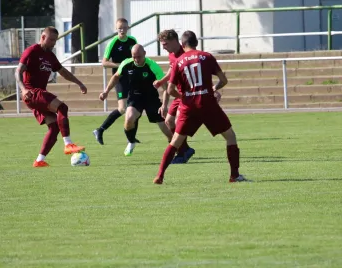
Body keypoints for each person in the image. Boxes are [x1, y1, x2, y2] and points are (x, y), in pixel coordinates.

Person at [153, 30, 248, 184]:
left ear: (182, 44)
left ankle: (160, 175)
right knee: (230, 137)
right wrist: (213, 89)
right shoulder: (207, 56)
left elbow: (170, 90)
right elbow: (223, 80)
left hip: (188, 106)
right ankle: (234, 176)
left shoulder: (178, 62)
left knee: (175, 141)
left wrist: (184, 98)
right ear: (196, 42)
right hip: (207, 103)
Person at [16, 26, 87, 167]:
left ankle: (39, 160)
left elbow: (63, 72)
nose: (54, 43)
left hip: (38, 94)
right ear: (43, 37)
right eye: (52, 40)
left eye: (55, 40)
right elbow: (17, 71)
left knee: (54, 127)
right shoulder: (31, 51)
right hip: (32, 92)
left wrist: (79, 83)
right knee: (62, 107)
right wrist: (23, 89)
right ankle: (68, 144)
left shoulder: (50, 56)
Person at [99, 44, 174, 156]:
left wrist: (164, 105)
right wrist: (106, 91)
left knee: (166, 130)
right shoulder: (126, 64)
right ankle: (131, 141)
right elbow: (116, 77)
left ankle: (176, 149)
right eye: (134, 56)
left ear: (144, 54)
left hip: (151, 98)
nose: (136, 59)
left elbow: (165, 88)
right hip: (135, 96)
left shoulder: (153, 66)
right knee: (128, 118)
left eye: (139, 56)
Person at [93, 18, 138, 145]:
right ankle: (100, 130)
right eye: (119, 28)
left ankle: (132, 137)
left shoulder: (132, 41)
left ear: (128, 28)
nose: (122, 30)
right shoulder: (113, 42)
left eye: (124, 27)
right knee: (123, 109)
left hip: (132, 78)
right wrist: (121, 65)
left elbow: (137, 56)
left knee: (135, 107)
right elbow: (104, 62)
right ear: (116, 29)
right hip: (119, 79)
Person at [153, 29, 195, 164]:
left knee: (179, 121)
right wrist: (162, 82)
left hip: (191, 93)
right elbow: (172, 70)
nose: (163, 47)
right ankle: (185, 149)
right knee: (169, 121)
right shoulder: (172, 55)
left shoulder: (187, 52)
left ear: (174, 41)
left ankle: (182, 152)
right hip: (180, 93)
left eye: (165, 44)